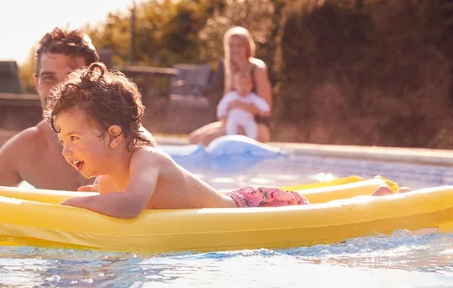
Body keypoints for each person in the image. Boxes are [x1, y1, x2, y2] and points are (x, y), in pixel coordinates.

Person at [45, 62, 308, 219]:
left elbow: (132, 205)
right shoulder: (106, 181)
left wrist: (76, 203)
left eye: (74, 138)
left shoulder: (147, 159)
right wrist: (97, 198)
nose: (66, 151)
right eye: (62, 141)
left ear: (114, 135)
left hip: (245, 209)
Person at [0, 27, 157, 190]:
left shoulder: (129, 141)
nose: (61, 89)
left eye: (73, 77)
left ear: (96, 82)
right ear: (36, 83)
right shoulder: (25, 150)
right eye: (49, 78)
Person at [188, 26, 272, 146]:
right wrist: (224, 122)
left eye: (239, 45)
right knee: (193, 139)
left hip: (255, 125)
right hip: (233, 120)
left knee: (207, 139)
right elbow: (226, 104)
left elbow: (266, 111)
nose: (235, 49)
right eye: (231, 46)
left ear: (247, 46)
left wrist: (239, 105)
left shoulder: (258, 68)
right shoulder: (231, 69)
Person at [217, 69, 270, 139]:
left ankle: (251, 141)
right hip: (234, 119)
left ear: (251, 86)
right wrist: (221, 115)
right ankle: (231, 139)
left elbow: (264, 106)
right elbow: (222, 106)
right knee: (231, 126)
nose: (243, 87)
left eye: (246, 85)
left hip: (248, 120)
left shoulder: (252, 97)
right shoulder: (231, 96)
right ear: (235, 85)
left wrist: (264, 109)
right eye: (240, 85)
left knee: (252, 128)